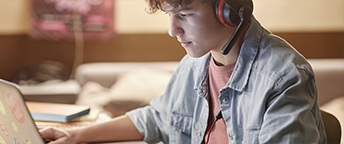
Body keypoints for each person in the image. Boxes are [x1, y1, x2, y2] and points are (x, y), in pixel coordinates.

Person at [40, 0, 327, 143]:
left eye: (184, 15)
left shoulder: (284, 77)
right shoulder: (194, 64)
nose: (172, 30)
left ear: (227, 11)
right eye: (170, 15)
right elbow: (157, 117)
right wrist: (76, 136)